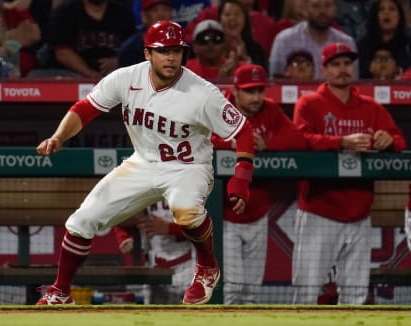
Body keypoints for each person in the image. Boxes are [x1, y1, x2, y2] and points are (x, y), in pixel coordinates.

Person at [34, 20, 255, 305]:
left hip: (188, 166)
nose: (171, 57)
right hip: (143, 162)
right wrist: (59, 136)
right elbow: (85, 109)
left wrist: (242, 176)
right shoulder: (125, 79)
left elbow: (243, 131)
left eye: (177, 50)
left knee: (185, 210)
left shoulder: (203, 93)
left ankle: (207, 267)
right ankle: (61, 291)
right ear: (147, 53)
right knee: (82, 220)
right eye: (164, 51)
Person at [292, 42, 407, 305]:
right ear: (324, 69)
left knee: (355, 296)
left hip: (359, 214)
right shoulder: (309, 104)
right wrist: (340, 142)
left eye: (347, 63)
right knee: (307, 292)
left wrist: (386, 141)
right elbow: (300, 140)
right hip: (319, 211)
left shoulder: (370, 107)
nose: (343, 69)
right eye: (335, 64)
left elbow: (399, 140)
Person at [212, 64, 307, 304]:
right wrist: (233, 143)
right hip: (225, 217)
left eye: (259, 90)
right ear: (235, 91)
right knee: (232, 289)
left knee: (252, 293)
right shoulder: (219, 108)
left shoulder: (270, 110)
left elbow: (297, 138)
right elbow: (199, 138)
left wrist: (268, 142)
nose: (256, 97)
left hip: (258, 214)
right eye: (249, 91)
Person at [114, 200, 196, 304]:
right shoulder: (143, 186)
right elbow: (120, 216)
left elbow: (206, 225)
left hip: (187, 268)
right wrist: (124, 238)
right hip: (153, 269)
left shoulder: (189, 186)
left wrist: (170, 228)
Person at [31, 0, 136, 79]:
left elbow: (132, 49)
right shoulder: (65, 12)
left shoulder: (123, 14)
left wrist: (118, 61)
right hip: (71, 74)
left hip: (112, 75)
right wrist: (90, 74)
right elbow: (63, 53)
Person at [269, 0, 357, 80]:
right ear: (305, 9)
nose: (322, 11)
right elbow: (276, 81)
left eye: (327, 5)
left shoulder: (346, 43)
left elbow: (354, 82)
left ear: (335, 8)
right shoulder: (284, 40)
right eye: (316, 6)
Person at [357, 0, 411, 79]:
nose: (386, 13)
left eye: (392, 9)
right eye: (381, 9)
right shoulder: (361, 46)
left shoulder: (408, 46)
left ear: (400, 16)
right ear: (375, 15)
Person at [118, 0, 173, 67]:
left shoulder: (182, 45)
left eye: (166, 10)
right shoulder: (129, 49)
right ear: (144, 16)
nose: (161, 15)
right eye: (154, 10)